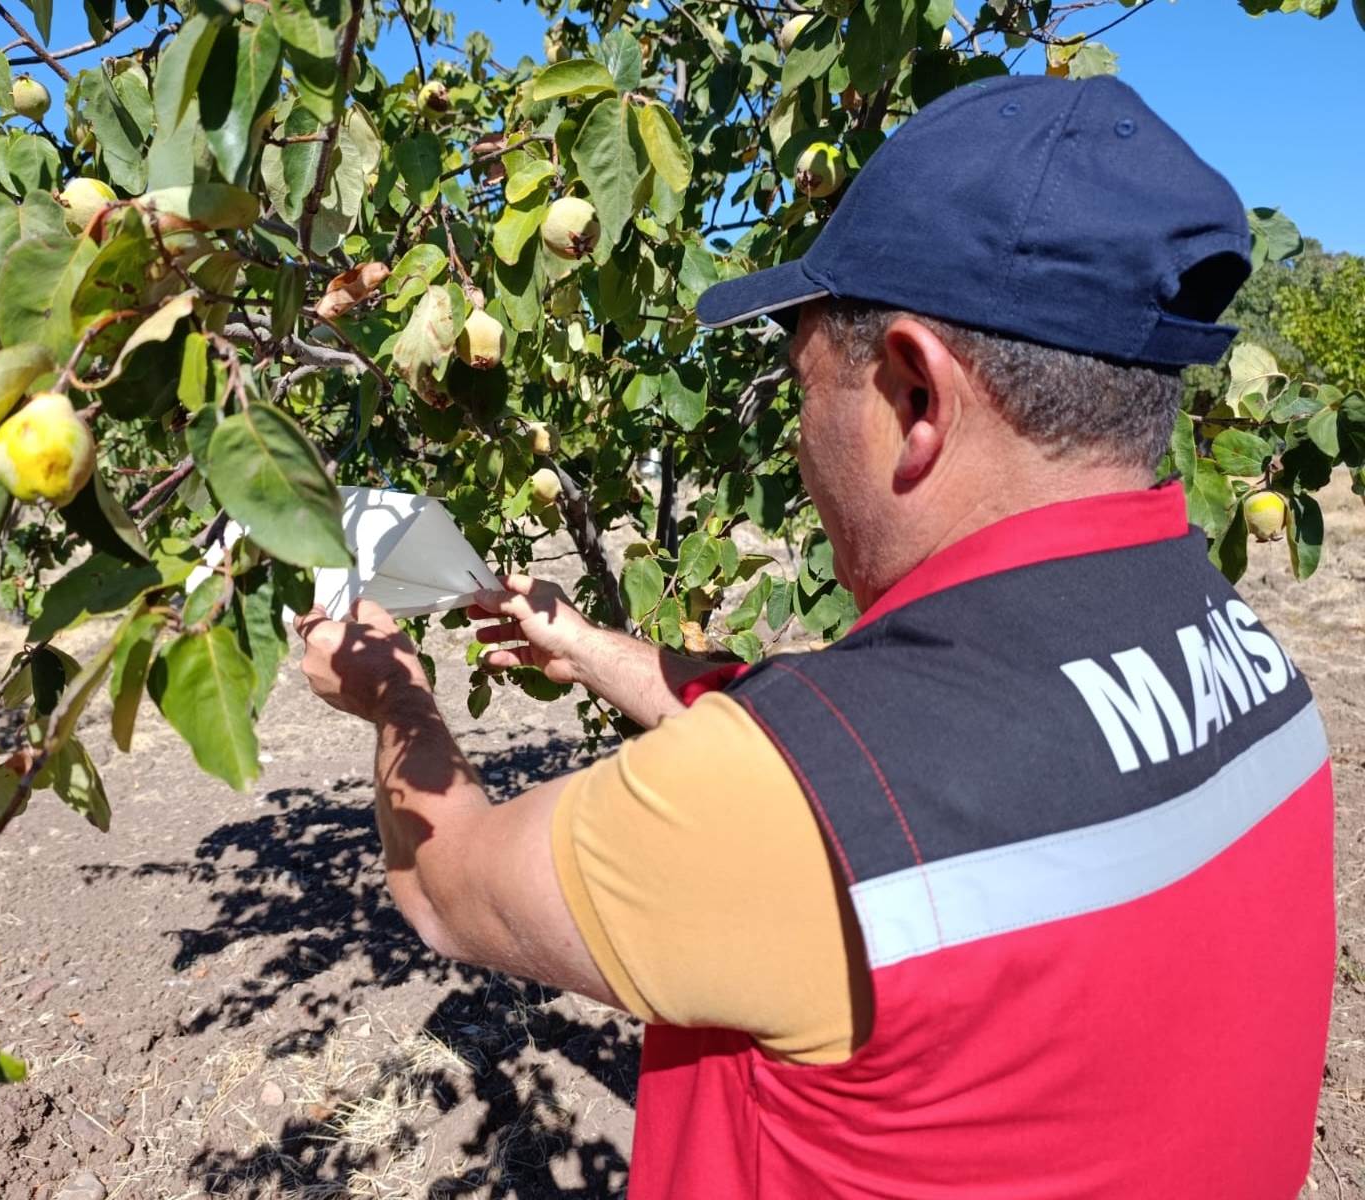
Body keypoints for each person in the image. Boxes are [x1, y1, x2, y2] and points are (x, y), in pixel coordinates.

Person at [295, 74, 1334, 1199]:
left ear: (911, 393)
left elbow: (452, 890)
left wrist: (396, 698)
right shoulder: (1250, 665)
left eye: (802, 391)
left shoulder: (787, 805)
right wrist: (599, 652)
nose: (800, 440)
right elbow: (887, 747)